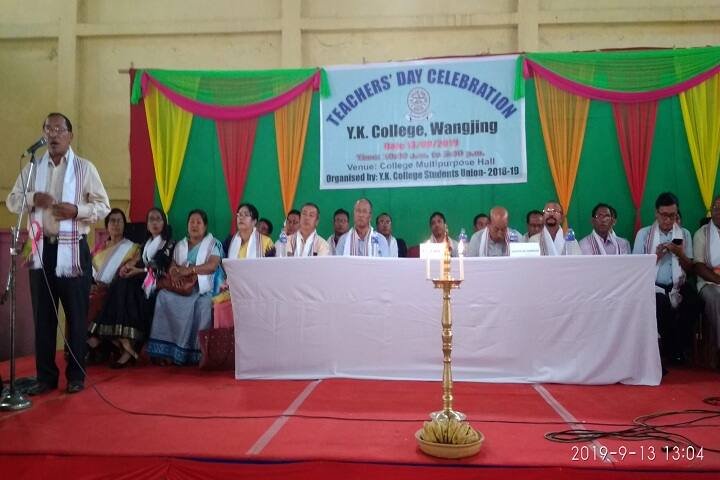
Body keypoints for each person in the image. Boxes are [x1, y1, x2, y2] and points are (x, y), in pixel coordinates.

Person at [6, 113, 110, 395]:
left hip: (74, 251)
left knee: (76, 316)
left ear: (70, 136)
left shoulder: (84, 168)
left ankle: (76, 376)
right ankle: (45, 377)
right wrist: (32, 198)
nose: (53, 134)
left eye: (59, 129)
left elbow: (104, 206)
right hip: (41, 251)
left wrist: (77, 211)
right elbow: (12, 200)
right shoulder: (33, 168)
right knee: (44, 318)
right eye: (48, 129)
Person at [88, 207, 175, 368]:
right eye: (151, 220)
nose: (155, 223)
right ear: (147, 224)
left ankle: (113, 340)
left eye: (158, 219)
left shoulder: (168, 243)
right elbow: (136, 262)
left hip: (155, 283)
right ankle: (122, 341)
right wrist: (127, 268)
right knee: (121, 281)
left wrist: (138, 271)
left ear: (164, 223)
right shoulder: (145, 244)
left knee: (124, 284)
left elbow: (160, 267)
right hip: (140, 281)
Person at [146, 209, 223, 366]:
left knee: (204, 304)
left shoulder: (213, 244)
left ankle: (197, 353)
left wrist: (190, 270)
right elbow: (173, 266)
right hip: (182, 286)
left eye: (198, 222)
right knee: (163, 296)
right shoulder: (180, 245)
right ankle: (167, 351)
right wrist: (175, 274)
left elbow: (212, 266)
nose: (194, 225)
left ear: (205, 226)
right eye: (191, 222)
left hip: (203, 287)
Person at [633, 192, 695, 364]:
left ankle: (682, 346)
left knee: (695, 301)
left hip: (678, 284)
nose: (668, 220)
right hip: (653, 285)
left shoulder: (684, 234)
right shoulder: (644, 234)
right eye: (664, 215)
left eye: (672, 216)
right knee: (661, 304)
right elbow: (636, 269)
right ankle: (673, 351)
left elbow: (690, 269)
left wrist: (680, 253)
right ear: (656, 213)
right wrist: (656, 257)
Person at [85, 209, 139, 364]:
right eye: (112, 221)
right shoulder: (98, 248)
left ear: (124, 225)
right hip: (94, 287)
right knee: (78, 299)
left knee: (96, 301)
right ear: (107, 225)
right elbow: (88, 269)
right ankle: (93, 344)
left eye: (119, 221)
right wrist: (90, 284)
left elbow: (128, 270)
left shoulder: (132, 248)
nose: (116, 224)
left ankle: (97, 343)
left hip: (114, 290)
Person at [692, 195, 720, 367]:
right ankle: (717, 349)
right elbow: (699, 266)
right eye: (716, 208)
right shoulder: (702, 233)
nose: (718, 212)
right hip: (708, 282)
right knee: (716, 298)